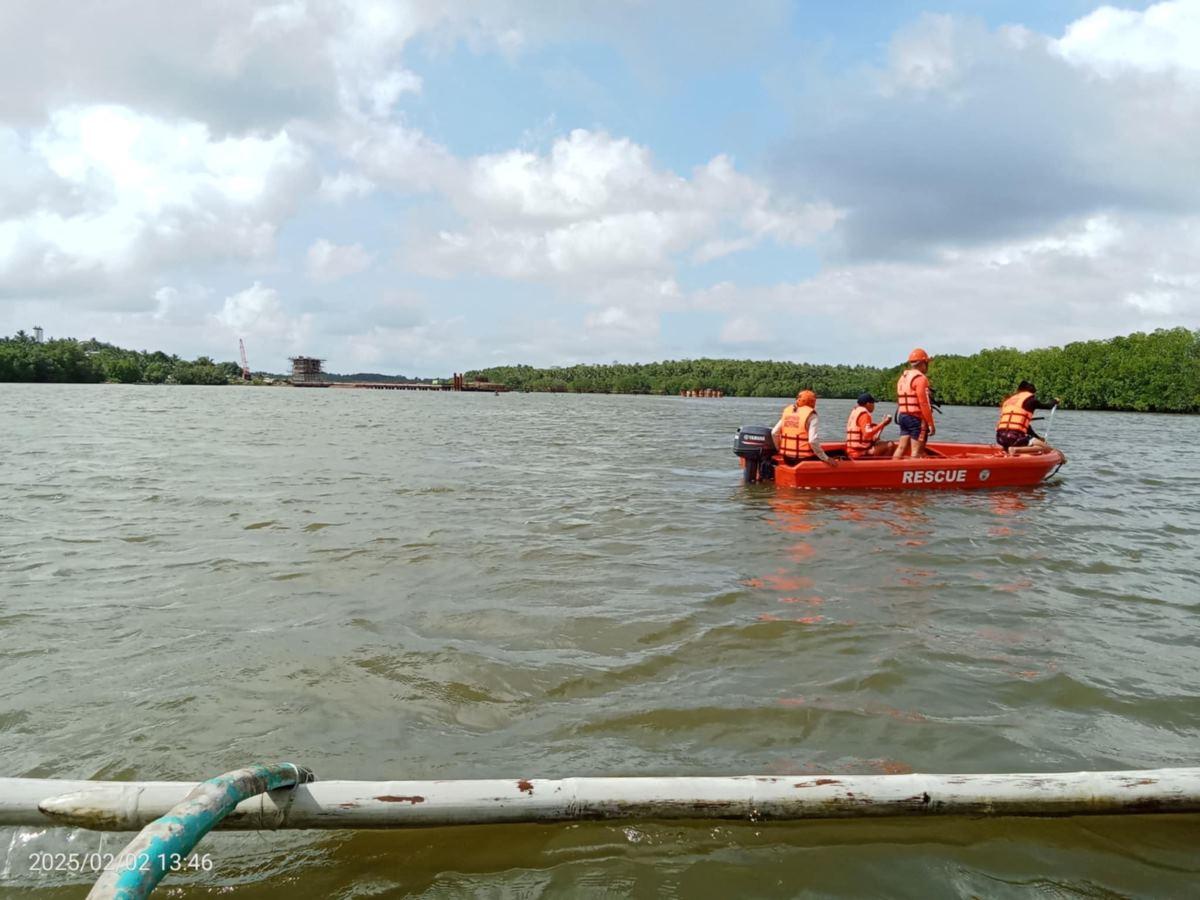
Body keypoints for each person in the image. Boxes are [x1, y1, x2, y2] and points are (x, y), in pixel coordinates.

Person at [772, 390, 837, 467]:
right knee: (836, 453)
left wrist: (779, 449)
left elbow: (774, 432)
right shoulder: (812, 415)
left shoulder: (788, 412)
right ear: (812, 402)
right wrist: (826, 458)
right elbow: (812, 441)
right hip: (803, 459)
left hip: (787, 459)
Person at [996, 381, 1062, 456]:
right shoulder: (1031, 400)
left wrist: (1038, 437)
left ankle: (1008, 452)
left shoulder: (1008, 401)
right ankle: (1015, 449)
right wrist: (1055, 401)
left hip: (1000, 437)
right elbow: (1048, 406)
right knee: (1044, 447)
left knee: (1027, 441)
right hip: (1015, 437)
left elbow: (1024, 427)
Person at [893, 348, 936, 458]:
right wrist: (930, 424)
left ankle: (893, 470)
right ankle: (911, 473)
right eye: (927, 363)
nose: (927, 366)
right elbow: (924, 403)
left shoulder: (903, 377)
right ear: (922, 363)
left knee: (901, 447)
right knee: (916, 452)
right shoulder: (921, 379)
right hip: (915, 418)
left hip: (903, 416)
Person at [845, 393, 895, 459]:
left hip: (853, 450)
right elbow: (867, 433)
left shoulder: (855, 412)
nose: (874, 406)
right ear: (868, 404)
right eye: (873, 403)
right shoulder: (864, 414)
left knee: (879, 443)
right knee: (890, 445)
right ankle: (882, 468)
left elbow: (868, 431)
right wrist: (883, 423)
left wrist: (883, 424)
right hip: (859, 452)